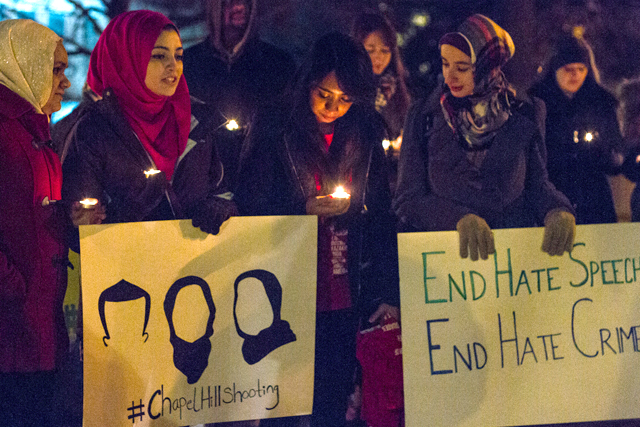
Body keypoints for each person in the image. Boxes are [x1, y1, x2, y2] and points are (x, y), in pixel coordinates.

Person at [236, 32, 400, 427]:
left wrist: (387, 290)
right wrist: (301, 209)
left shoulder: (362, 132)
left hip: (344, 296)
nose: (333, 107)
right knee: (284, 407)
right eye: (325, 94)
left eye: (345, 99)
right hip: (287, 295)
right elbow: (250, 204)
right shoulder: (275, 124)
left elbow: (379, 215)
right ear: (308, 80)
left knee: (333, 403)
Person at [394, 14, 576, 262]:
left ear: (487, 64)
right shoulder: (424, 115)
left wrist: (557, 210)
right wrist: (458, 219)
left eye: (462, 68)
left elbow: (537, 184)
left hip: (510, 263)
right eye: (445, 64)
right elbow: (408, 199)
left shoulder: (525, 111)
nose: (450, 77)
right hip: (445, 263)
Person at [62, 10, 236, 234]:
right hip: (127, 265)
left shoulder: (198, 121)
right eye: (159, 56)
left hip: (195, 266)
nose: (173, 66)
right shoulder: (94, 131)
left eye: (178, 56)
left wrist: (220, 207)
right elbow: (76, 228)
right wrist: (128, 210)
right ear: (128, 59)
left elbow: (223, 192)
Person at [0, 18, 72, 427]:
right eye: (56, 69)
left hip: (38, 327)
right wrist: (14, 288)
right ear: (21, 63)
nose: (65, 81)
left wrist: (70, 218)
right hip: (12, 330)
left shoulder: (34, 130)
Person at [183, 0, 296, 191]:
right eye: (229, 1)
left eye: (245, 0)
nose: (238, 6)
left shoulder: (278, 65)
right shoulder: (189, 63)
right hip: (203, 182)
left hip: (262, 183)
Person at [529, 34, 625, 225]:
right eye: (568, 69)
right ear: (554, 70)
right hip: (552, 197)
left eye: (581, 69)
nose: (575, 75)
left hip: (594, 199)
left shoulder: (601, 103)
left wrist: (603, 152)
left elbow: (616, 153)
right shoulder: (537, 104)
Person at [351, 11, 410, 142]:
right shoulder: (350, 88)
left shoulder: (394, 86)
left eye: (385, 50)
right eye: (370, 50)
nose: (379, 57)